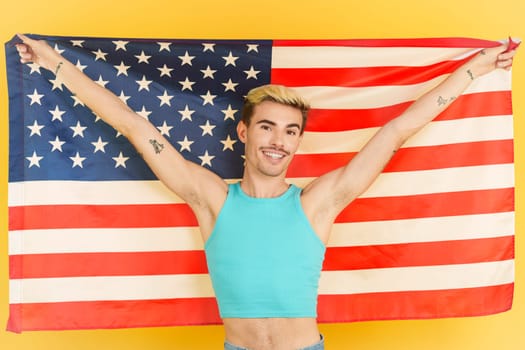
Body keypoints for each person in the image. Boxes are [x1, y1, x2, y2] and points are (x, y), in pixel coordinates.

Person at [15, 33, 516, 350]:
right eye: (268, 127)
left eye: (291, 131)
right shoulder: (210, 198)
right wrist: (54, 64)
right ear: (244, 133)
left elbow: (395, 131)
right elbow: (131, 124)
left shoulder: (318, 202)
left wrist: (477, 69)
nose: (278, 141)